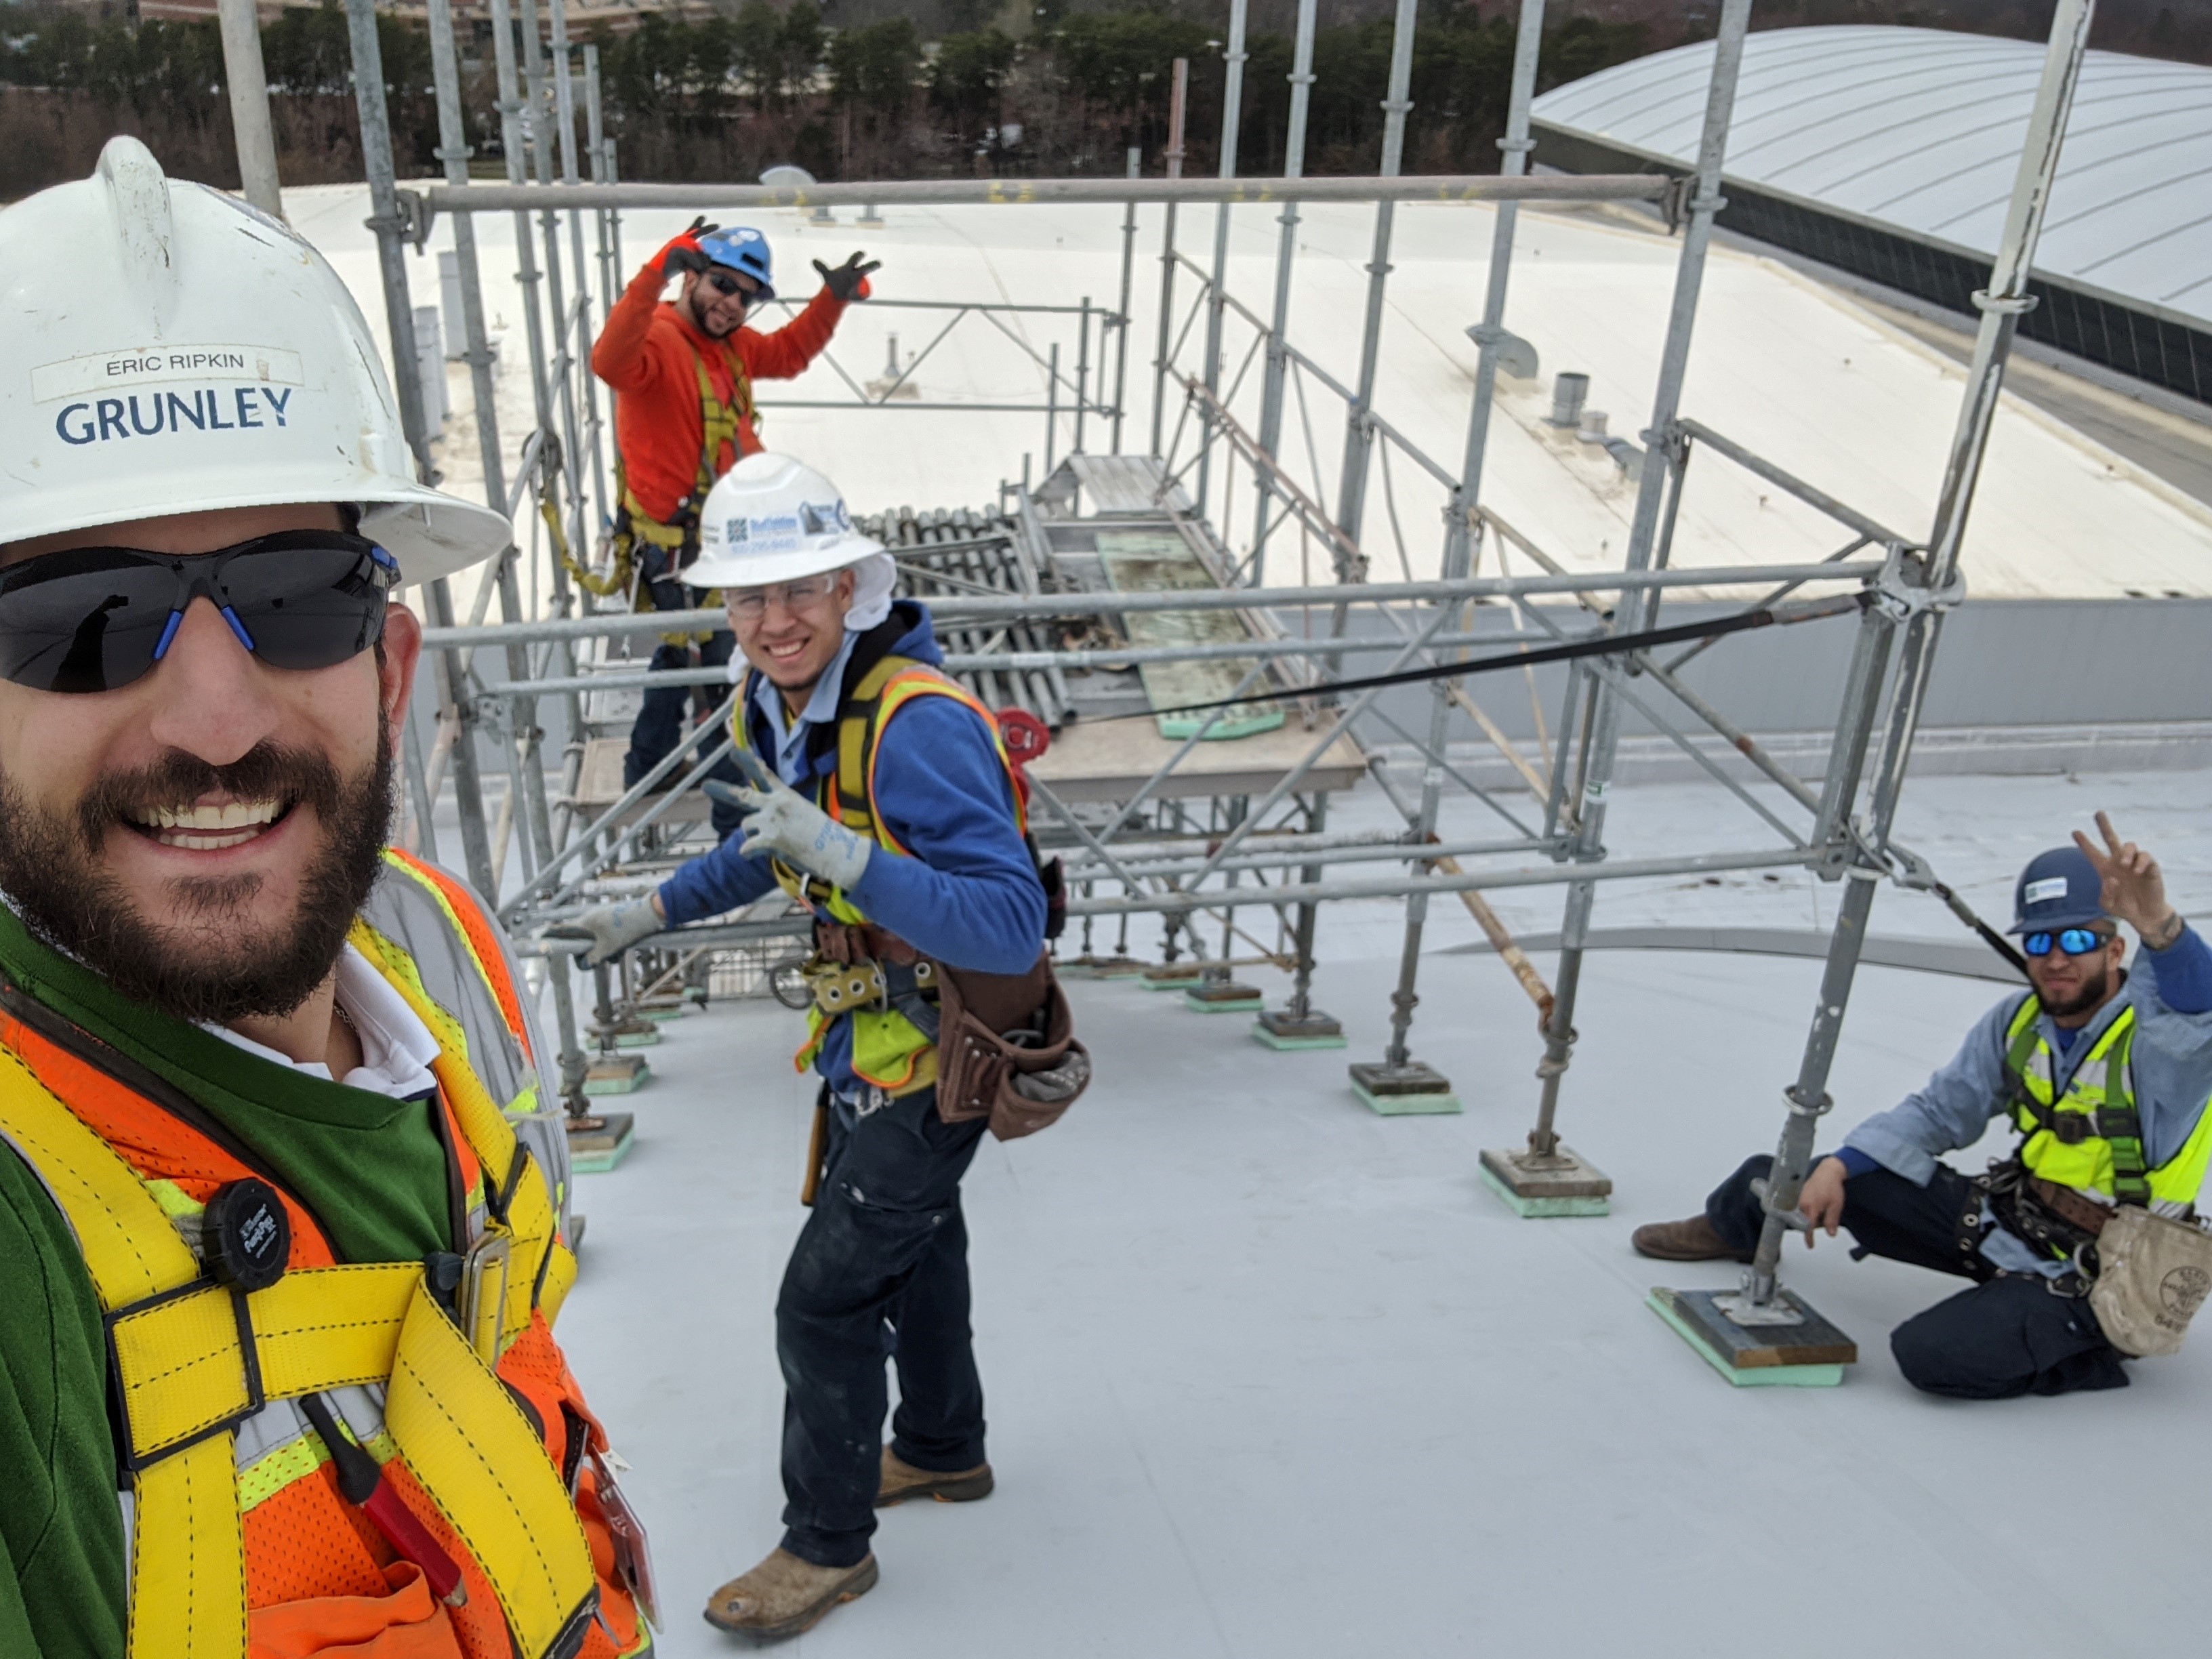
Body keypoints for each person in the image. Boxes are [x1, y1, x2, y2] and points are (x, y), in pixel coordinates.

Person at [0, 139, 652, 1656]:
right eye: (83, 623)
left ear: (392, 670)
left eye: (295, 597)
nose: (217, 722)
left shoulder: (441, 949)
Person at [554, 453, 1049, 1640]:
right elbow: (757, 844)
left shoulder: (915, 726)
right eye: (747, 596)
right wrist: (656, 909)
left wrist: (844, 856)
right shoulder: (768, 703)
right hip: (872, 1040)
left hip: (943, 1050)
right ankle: (939, 1445)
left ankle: (827, 1544)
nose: (773, 620)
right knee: (917, 1245)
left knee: (823, 1302)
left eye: (798, 590)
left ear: (847, 588)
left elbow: (1009, 918)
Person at [1635, 815, 2212, 1399]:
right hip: (2008, 1223)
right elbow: (1939, 1113)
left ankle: (2092, 1349)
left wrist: (2163, 931)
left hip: (2093, 1275)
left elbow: (2199, 1019)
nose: (2056, 958)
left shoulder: (2158, 1047)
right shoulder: (2017, 1024)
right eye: (2040, 941)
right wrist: (1840, 1165)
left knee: (1930, 1355)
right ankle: (1734, 1230)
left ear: (2116, 948)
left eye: (2078, 940)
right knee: (1785, 1175)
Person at [590, 219, 878, 821]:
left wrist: (832, 300)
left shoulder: (731, 348)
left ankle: (648, 786)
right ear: (690, 277)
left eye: (749, 296)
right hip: (680, 554)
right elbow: (609, 361)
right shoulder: (659, 342)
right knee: (725, 675)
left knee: (689, 661)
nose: (733, 304)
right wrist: (653, 274)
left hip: (727, 544)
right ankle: (726, 818)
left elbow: (789, 355)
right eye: (723, 284)